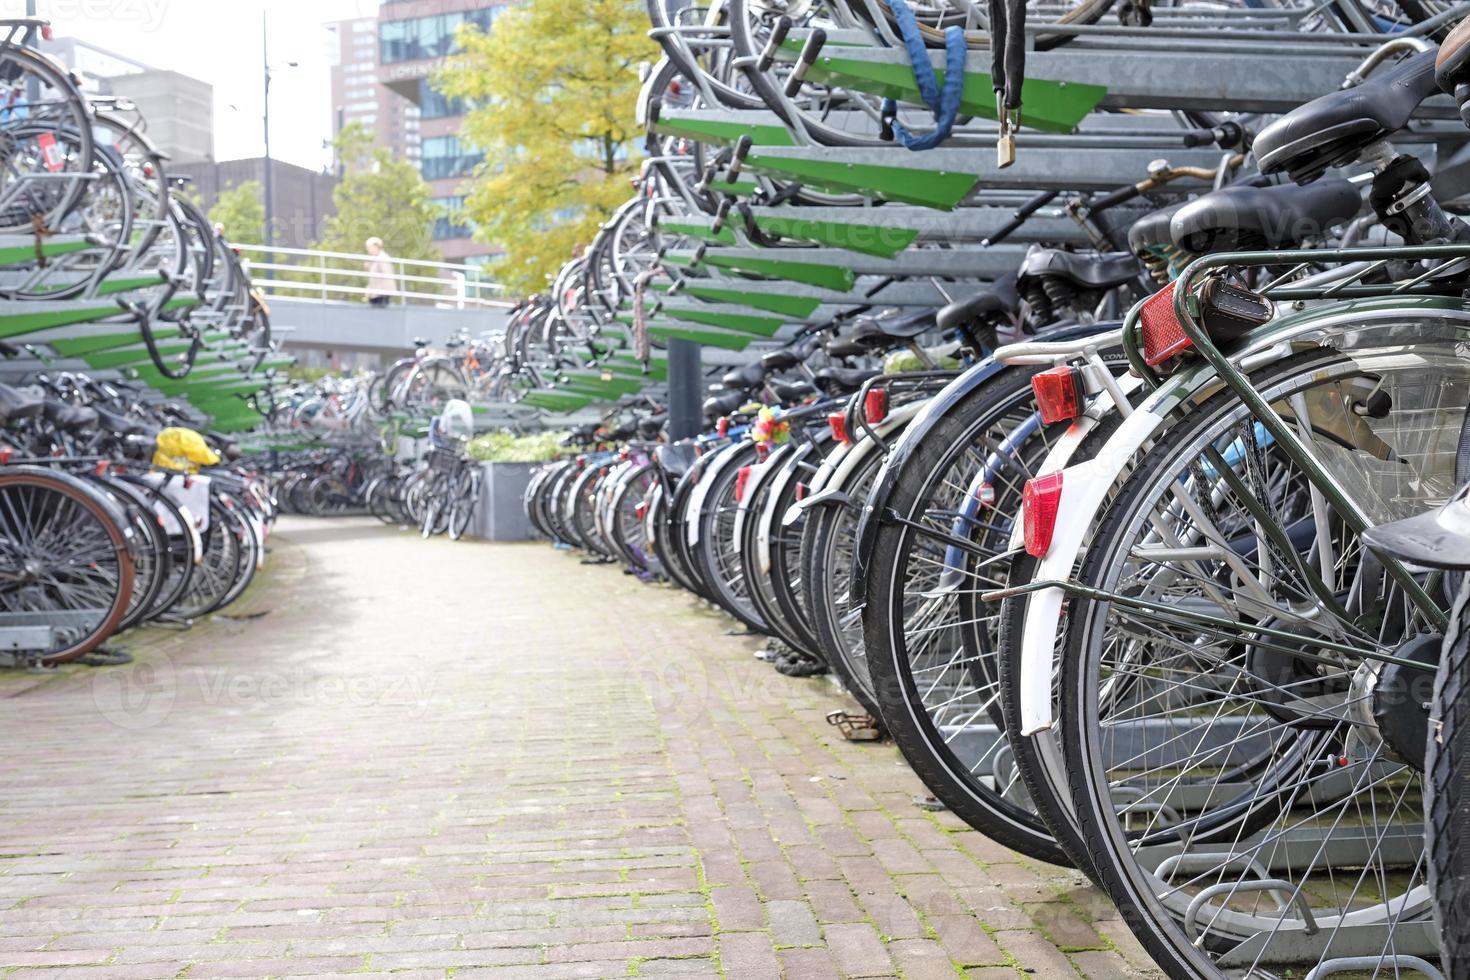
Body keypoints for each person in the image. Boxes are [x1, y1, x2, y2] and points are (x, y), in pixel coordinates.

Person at [365, 237, 396, 307]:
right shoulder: (375, 258)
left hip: (381, 293)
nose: (368, 250)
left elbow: (387, 274)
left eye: (369, 247)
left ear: (376, 247)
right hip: (376, 292)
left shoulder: (383, 258)